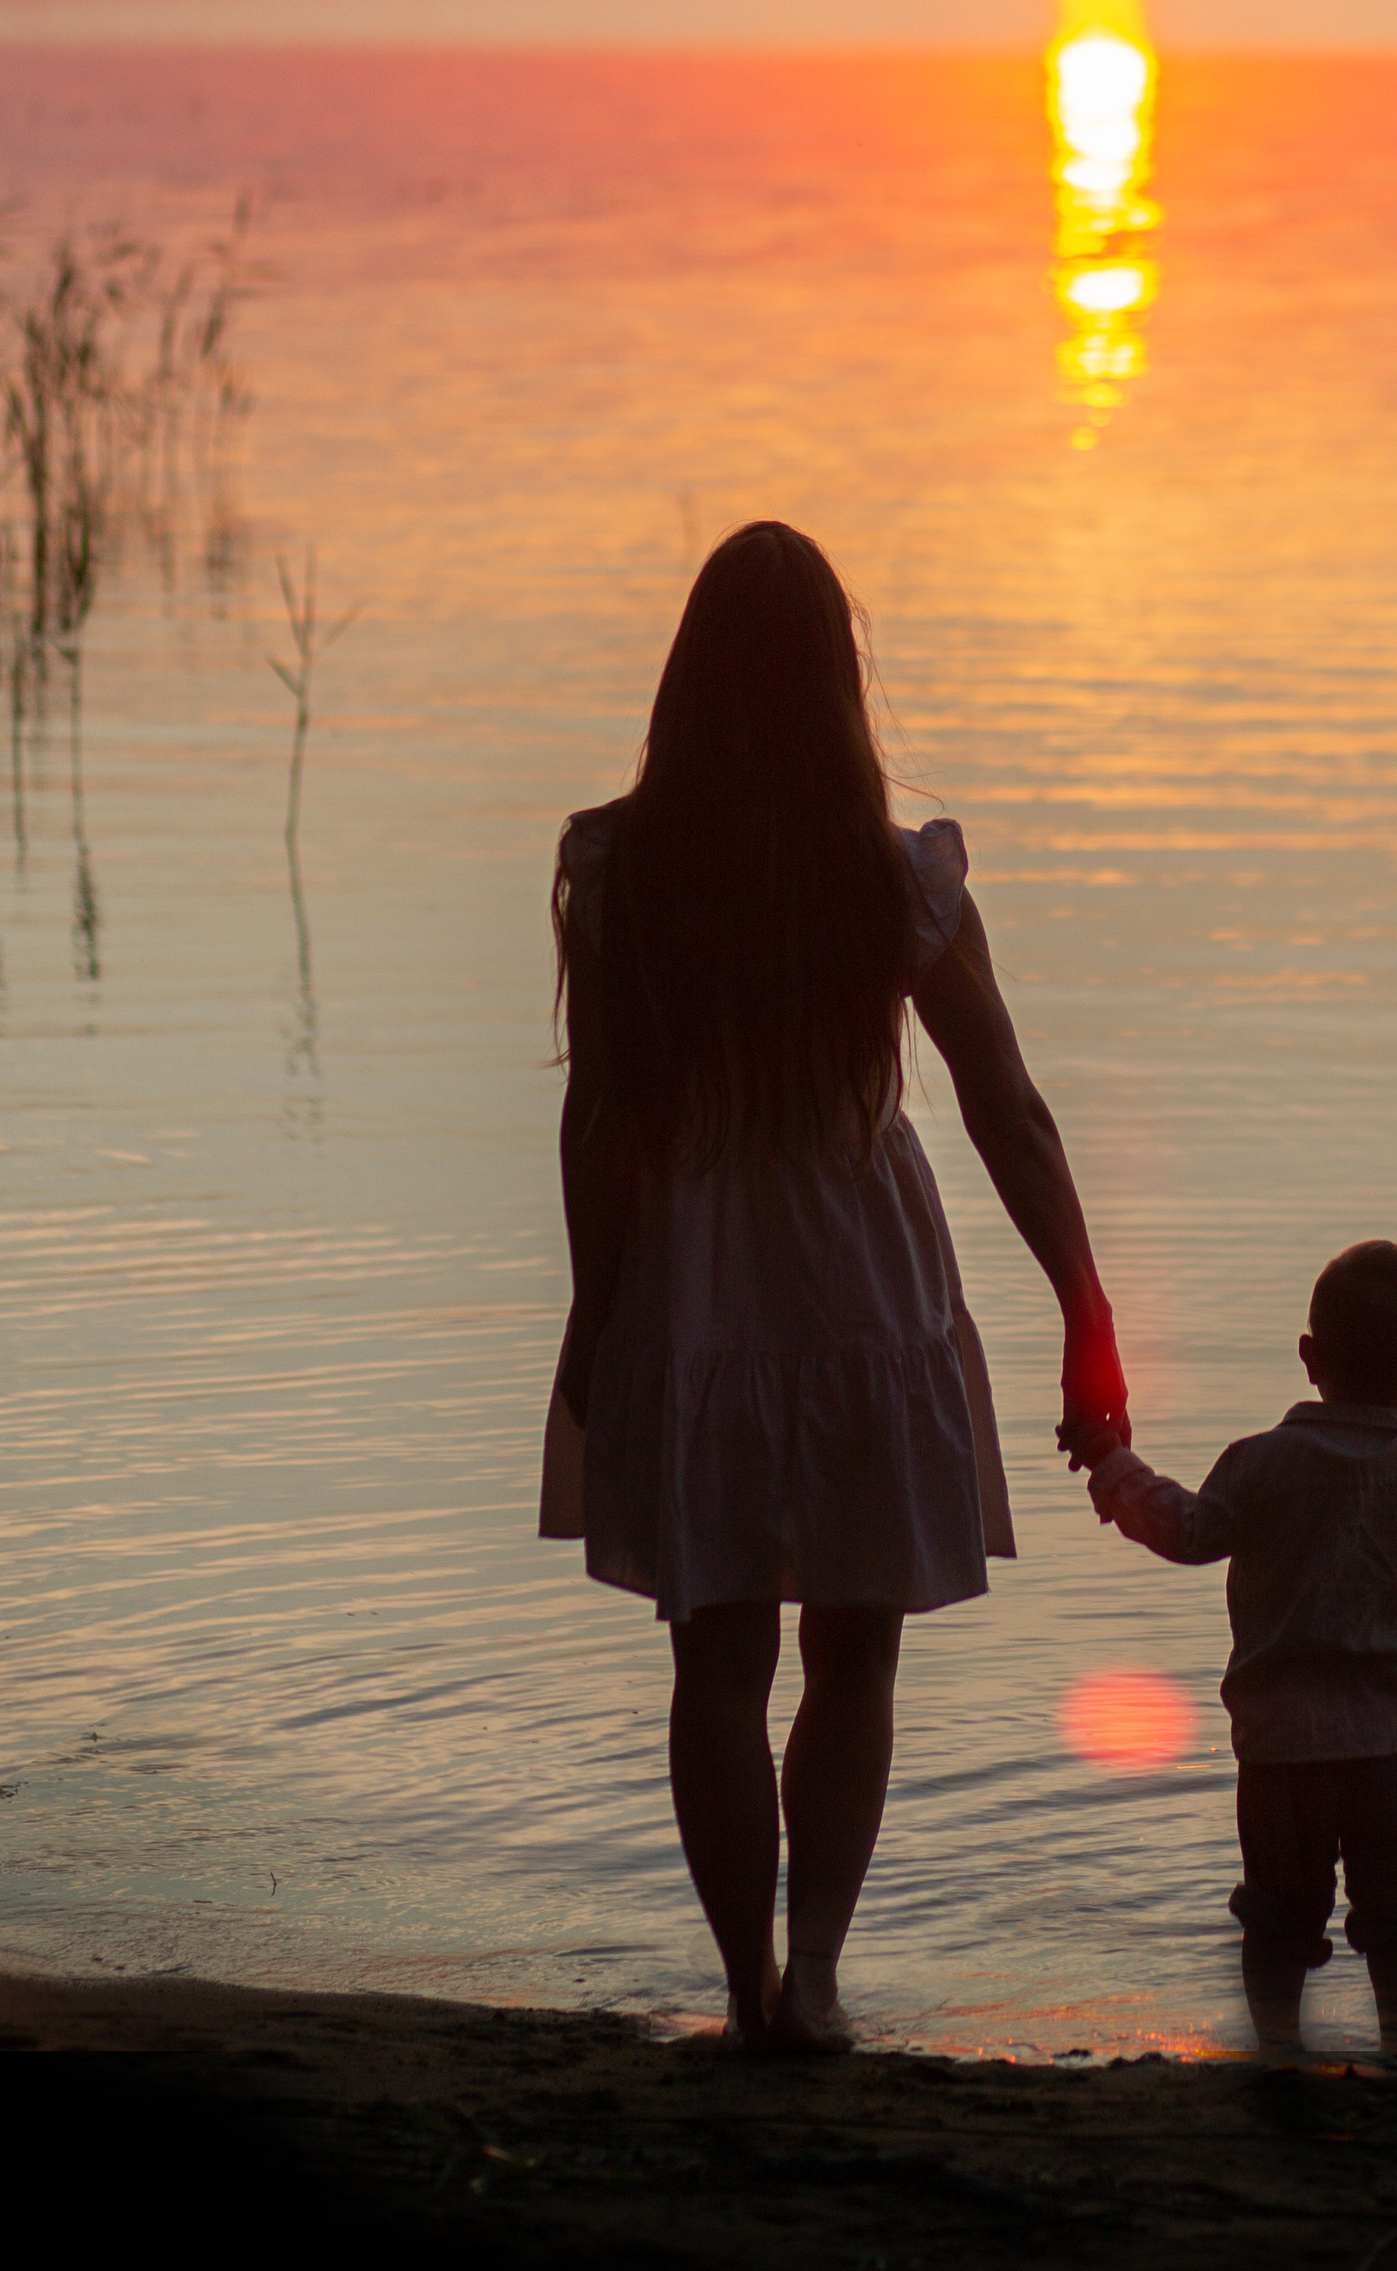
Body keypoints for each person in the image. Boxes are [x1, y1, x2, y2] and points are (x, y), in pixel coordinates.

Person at [537, 521, 1130, 2052]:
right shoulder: (896, 880)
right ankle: (816, 1984)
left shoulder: (620, 869)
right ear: (838, 688)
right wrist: (1086, 1310)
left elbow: (599, 1116)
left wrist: (595, 1315)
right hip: (869, 1280)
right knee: (854, 1654)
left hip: (694, 1283)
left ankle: (744, 1995)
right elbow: (1009, 1106)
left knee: (716, 1656)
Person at [1083, 1239, 1397, 2063]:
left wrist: (1115, 1463)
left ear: (1309, 1357)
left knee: (1278, 1917)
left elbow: (1184, 1531)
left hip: (1283, 1748)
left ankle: (1279, 2054)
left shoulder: (1262, 1462)